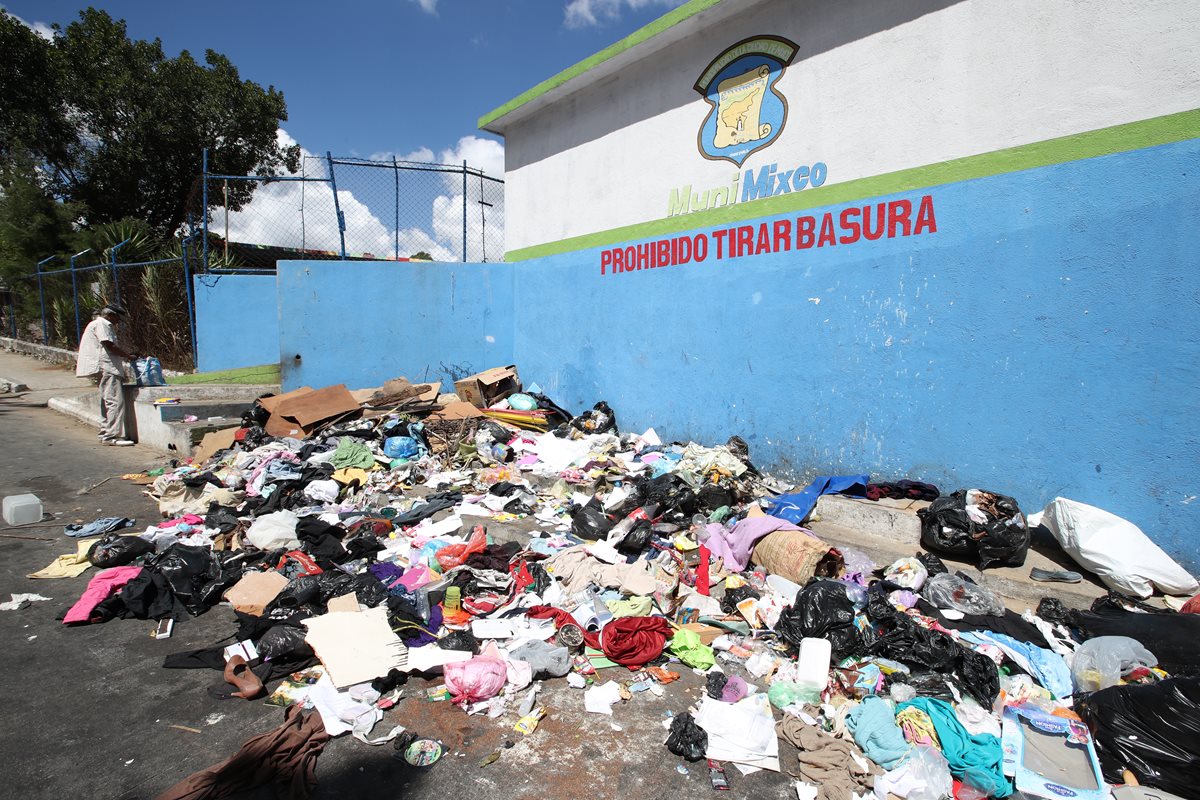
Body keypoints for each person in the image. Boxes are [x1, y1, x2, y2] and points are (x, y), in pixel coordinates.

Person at [75, 303, 137, 446]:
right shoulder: (103, 324)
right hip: (107, 367)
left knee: (107, 401)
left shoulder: (96, 324)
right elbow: (109, 345)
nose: (118, 321)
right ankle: (111, 436)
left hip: (104, 367)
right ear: (110, 315)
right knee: (115, 401)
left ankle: (106, 433)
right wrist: (128, 356)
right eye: (117, 317)